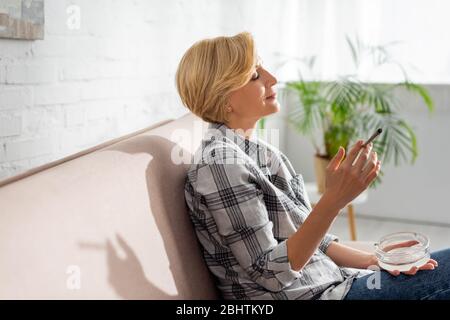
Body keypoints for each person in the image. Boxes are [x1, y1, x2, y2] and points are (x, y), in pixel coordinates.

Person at [175, 31, 450, 300]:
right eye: (254, 75)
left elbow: (312, 238)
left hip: (339, 284)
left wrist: (374, 261)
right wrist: (333, 200)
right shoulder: (220, 166)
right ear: (224, 99)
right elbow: (270, 273)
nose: (273, 78)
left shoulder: (260, 152)